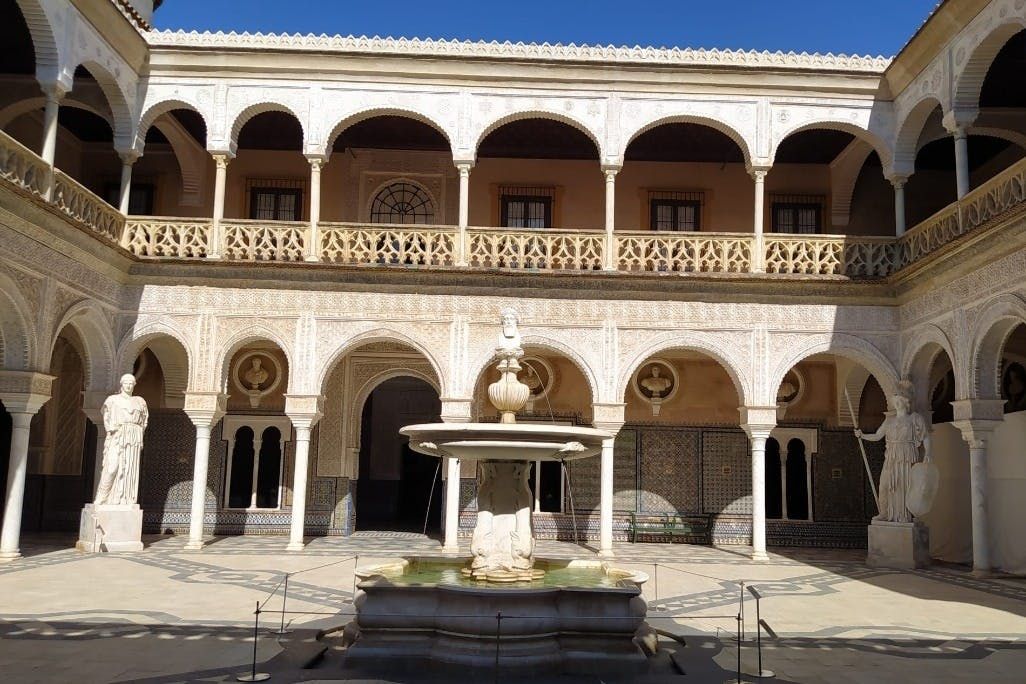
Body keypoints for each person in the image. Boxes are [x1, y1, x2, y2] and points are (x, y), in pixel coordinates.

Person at [855, 392, 930, 523]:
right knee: (884, 485)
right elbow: (878, 436)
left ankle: (907, 515)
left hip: (907, 456)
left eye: (899, 400)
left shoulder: (915, 418)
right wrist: (862, 435)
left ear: (906, 402)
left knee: (906, 486)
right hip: (891, 457)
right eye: (895, 400)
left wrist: (928, 453)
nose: (897, 403)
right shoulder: (889, 420)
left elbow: (926, 436)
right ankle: (885, 513)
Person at [94, 374, 149, 506]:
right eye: (126, 383)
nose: (129, 385)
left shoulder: (140, 401)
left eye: (131, 383)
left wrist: (138, 431)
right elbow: (106, 416)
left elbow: (144, 421)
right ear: (121, 384)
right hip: (118, 435)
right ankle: (102, 497)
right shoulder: (112, 400)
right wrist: (111, 429)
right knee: (112, 467)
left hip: (133, 437)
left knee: (129, 469)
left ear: (134, 384)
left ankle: (125, 499)